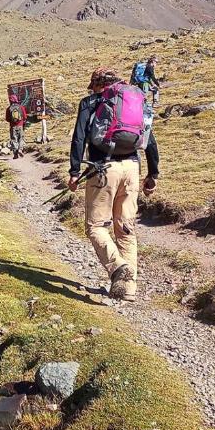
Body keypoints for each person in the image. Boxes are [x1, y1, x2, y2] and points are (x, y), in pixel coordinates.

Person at [68, 67, 159, 302]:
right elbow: (149, 140)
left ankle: (118, 266)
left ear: (98, 84)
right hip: (132, 168)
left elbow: (79, 137)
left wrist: (74, 171)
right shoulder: (135, 101)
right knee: (125, 229)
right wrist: (153, 174)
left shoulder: (90, 102)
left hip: (103, 169)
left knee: (96, 226)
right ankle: (128, 289)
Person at [5, 92, 28, 159]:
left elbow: (7, 119)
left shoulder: (9, 108)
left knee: (14, 139)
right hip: (20, 125)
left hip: (13, 126)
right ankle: (20, 149)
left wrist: (12, 121)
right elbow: (25, 117)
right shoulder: (21, 107)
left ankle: (15, 154)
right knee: (21, 138)